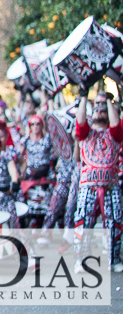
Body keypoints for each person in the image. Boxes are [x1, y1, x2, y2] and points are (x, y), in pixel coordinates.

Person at [72, 90, 122, 270]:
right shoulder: (85, 134)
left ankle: (114, 259)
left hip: (111, 186)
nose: (100, 114)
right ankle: (81, 260)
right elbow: (80, 121)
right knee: (83, 223)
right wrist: (84, 96)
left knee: (115, 223)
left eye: (103, 112)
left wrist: (109, 102)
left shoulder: (115, 135)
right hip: (89, 187)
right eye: (97, 111)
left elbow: (116, 124)